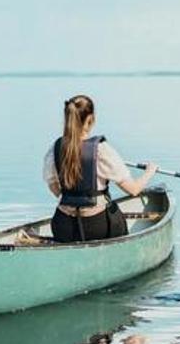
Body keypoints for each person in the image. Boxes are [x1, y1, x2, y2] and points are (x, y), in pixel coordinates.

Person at [43, 94, 157, 243]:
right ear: (90, 120)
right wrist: (150, 171)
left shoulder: (55, 148)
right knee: (116, 213)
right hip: (97, 227)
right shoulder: (101, 150)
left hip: (63, 226)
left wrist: (73, 200)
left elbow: (54, 188)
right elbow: (133, 189)